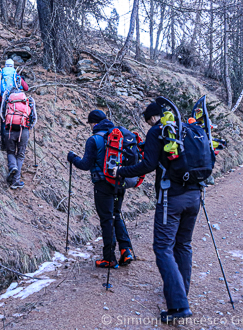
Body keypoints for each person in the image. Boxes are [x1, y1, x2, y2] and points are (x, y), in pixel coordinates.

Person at [113, 101, 198, 324]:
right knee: (183, 244)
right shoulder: (185, 128)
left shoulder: (156, 130)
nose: (148, 123)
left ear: (153, 117)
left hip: (171, 198)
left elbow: (148, 165)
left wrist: (122, 171)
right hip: (195, 196)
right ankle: (180, 292)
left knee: (162, 247)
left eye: (147, 120)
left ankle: (178, 305)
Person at [66, 110, 134, 269]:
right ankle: (126, 250)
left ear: (94, 123)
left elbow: (85, 165)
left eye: (90, 123)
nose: (90, 126)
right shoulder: (118, 136)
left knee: (106, 219)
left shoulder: (94, 140)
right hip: (119, 182)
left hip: (103, 186)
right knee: (116, 214)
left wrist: (72, 158)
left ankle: (109, 258)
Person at [0, 88, 36, 189]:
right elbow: (34, 118)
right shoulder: (28, 101)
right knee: (20, 155)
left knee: (11, 152)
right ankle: (16, 180)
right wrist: (28, 127)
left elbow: (2, 115)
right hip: (23, 130)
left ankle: (13, 167)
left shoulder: (7, 100)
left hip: (10, 130)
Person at [0, 59, 29, 150]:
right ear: (12, 66)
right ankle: (14, 142)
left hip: (3, 99)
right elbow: (26, 88)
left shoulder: (1, 73)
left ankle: (4, 144)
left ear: (5, 65)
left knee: (3, 121)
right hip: (15, 101)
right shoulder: (16, 75)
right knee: (13, 118)